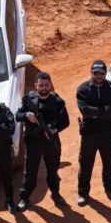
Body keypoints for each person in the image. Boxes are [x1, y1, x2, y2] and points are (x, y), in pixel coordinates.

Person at [17, 72, 70, 211]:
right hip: (33, 142)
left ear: (50, 85)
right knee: (30, 172)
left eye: (46, 85)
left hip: (50, 142)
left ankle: (55, 194)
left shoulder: (57, 101)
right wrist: (26, 115)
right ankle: (24, 198)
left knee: (53, 170)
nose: (44, 88)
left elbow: (65, 121)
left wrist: (55, 129)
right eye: (41, 85)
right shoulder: (29, 100)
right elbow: (17, 115)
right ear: (36, 86)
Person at [76, 60, 111, 205]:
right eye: (96, 73)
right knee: (85, 165)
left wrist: (96, 112)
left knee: (110, 164)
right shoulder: (83, 89)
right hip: (89, 134)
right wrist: (104, 110)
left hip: (108, 133)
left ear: (105, 74)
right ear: (91, 73)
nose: (98, 76)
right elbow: (85, 110)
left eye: (101, 73)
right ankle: (83, 193)